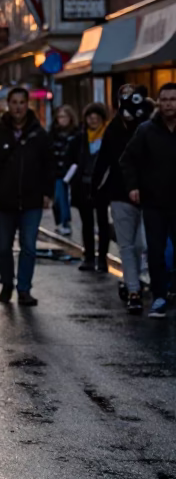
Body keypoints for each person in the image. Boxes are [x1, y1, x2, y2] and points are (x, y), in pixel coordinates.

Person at [0, 86, 53, 307]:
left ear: (27, 105)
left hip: (31, 201)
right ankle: (7, 283)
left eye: (22, 102)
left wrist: (47, 192)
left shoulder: (38, 133)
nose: (18, 107)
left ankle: (24, 289)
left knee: (29, 246)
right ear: (7, 105)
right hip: (4, 200)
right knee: (3, 246)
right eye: (14, 102)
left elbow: (49, 165)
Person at [93, 85, 153, 314]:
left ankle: (135, 279)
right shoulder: (114, 129)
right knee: (128, 245)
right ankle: (134, 289)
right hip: (119, 193)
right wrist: (95, 189)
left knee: (143, 245)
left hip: (149, 193)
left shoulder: (149, 126)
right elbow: (105, 159)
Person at [120, 82, 176, 319]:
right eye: (164, 99)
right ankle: (159, 296)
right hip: (154, 202)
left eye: (173, 99)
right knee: (155, 251)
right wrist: (133, 186)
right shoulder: (146, 130)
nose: (168, 104)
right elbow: (127, 159)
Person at [68, 102, 111, 273]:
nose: (93, 121)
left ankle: (102, 259)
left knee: (103, 223)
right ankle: (89, 257)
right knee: (87, 223)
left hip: (103, 186)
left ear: (102, 119)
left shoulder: (108, 138)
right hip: (83, 186)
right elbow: (70, 159)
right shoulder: (79, 139)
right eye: (90, 118)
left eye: (96, 118)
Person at [49, 105, 78, 237]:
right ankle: (61, 222)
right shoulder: (53, 133)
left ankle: (65, 222)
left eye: (65, 116)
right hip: (57, 171)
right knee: (58, 199)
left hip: (72, 170)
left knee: (64, 198)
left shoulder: (76, 134)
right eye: (60, 116)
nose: (62, 119)